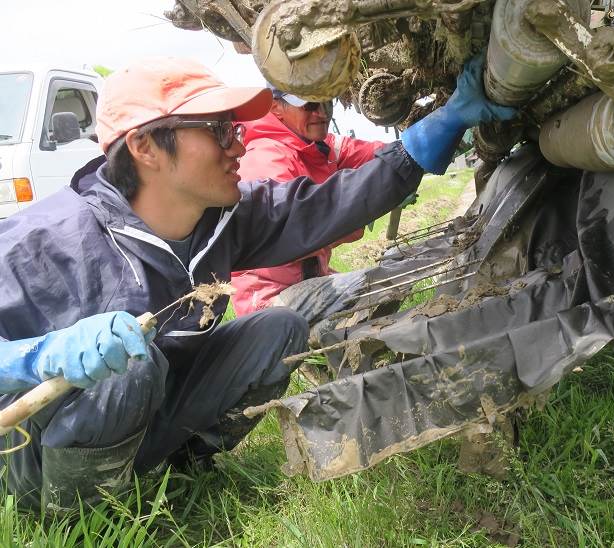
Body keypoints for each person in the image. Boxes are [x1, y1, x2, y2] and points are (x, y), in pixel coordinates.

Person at [0, 55, 514, 510]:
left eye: (237, 130)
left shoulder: (222, 218)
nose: (238, 145)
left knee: (279, 329)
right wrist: (38, 356)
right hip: (35, 453)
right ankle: (79, 514)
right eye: (219, 131)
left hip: (150, 411)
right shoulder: (42, 242)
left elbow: (328, 205)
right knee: (132, 364)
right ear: (145, 146)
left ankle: (178, 470)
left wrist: (438, 128)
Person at [230, 86, 383, 316]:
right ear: (276, 108)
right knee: (379, 285)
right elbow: (302, 229)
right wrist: (368, 203)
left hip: (306, 282)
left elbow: (369, 152)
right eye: (309, 105)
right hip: (271, 301)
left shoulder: (315, 145)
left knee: (382, 281)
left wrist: (411, 153)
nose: (321, 113)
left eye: (327, 103)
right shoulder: (267, 156)